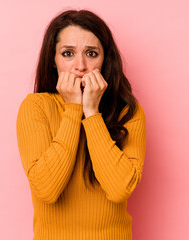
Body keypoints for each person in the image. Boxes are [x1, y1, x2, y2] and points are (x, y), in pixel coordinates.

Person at [16, 9, 146, 240]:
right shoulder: (35, 107)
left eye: (91, 53)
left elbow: (119, 190)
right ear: (53, 61)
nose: (80, 66)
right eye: (67, 53)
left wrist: (92, 112)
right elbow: (47, 189)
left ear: (105, 60)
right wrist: (73, 109)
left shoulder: (128, 111)